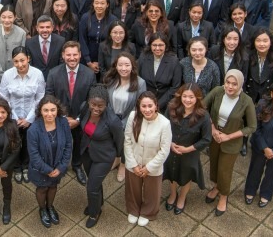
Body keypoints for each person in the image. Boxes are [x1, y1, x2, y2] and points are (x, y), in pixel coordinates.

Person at [203, 69, 257, 216]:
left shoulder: (246, 101)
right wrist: (213, 128)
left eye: (234, 84)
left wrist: (228, 137)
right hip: (215, 136)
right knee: (214, 165)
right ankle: (216, 187)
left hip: (231, 141)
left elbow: (252, 127)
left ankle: (224, 196)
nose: (230, 87)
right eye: (228, 82)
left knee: (224, 170)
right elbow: (202, 107)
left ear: (240, 85)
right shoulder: (218, 91)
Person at [45, 41, 96, 185]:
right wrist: (61, 117)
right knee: (58, 143)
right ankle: (59, 166)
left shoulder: (90, 74)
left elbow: (91, 100)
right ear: (63, 55)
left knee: (79, 143)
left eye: (75, 54)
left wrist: (78, 119)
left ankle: (77, 165)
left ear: (80, 55)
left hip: (80, 118)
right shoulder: (53, 73)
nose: (72, 58)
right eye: (68, 55)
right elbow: (49, 97)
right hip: (59, 118)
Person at [78, 85, 124, 228]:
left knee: (91, 187)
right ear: (89, 102)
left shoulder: (113, 121)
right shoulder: (84, 108)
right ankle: (98, 202)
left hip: (104, 157)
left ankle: (94, 213)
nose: (96, 108)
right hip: (87, 152)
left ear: (106, 104)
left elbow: (119, 140)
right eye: (93, 104)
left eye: (100, 106)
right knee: (95, 184)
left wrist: (118, 156)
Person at [123, 92, 171, 227]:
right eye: (143, 106)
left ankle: (148, 212)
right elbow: (127, 140)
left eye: (150, 106)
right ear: (139, 107)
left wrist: (149, 168)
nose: (147, 109)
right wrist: (133, 164)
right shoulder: (133, 117)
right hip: (134, 162)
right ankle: (133, 209)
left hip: (153, 166)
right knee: (132, 189)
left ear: (156, 105)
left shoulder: (165, 124)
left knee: (152, 191)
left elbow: (164, 150)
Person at [163, 84, 212, 215]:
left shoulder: (204, 116)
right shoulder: (171, 108)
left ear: (197, 98)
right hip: (171, 149)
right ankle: (173, 194)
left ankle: (182, 197)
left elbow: (206, 139)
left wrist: (188, 149)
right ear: (180, 96)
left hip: (190, 152)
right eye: (184, 96)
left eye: (191, 97)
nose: (187, 100)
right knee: (172, 172)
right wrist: (170, 144)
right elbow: (163, 127)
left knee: (186, 175)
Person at [0, 46, 46, 184]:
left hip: (31, 116)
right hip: (12, 116)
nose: (19, 64)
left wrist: (29, 119)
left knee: (28, 143)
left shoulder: (38, 74)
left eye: (22, 60)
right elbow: (4, 98)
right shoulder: (7, 75)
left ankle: (26, 166)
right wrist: (14, 117)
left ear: (28, 58)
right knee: (13, 143)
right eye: (16, 61)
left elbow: (40, 98)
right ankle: (16, 167)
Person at [27, 95, 73, 228]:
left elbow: (68, 145)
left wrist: (61, 167)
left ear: (57, 110)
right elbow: (34, 155)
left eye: (53, 110)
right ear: (40, 111)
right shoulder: (33, 130)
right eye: (45, 110)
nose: (49, 114)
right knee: (42, 188)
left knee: (53, 187)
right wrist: (48, 170)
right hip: (40, 169)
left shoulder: (63, 123)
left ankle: (50, 206)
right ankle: (42, 209)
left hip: (58, 166)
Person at [103, 51, 147, 181]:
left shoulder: (140, 83)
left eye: (127, 65)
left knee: (125, 143)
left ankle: (123, 164)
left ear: (132, 66)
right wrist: (112, 119)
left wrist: (124, 122)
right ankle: (116, 159)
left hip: (129, 119)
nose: (123, 68)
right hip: (111, 117)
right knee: (114, 141)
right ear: (115, 66)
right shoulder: (110, 79)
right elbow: (107, 101)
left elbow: (140, 105)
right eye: (120, 65)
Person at [137, 33, 182, 110]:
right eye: (154, 45)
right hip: (145, 102)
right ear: (150, 45)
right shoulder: (143, 57)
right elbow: (138, 77)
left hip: (166, 104)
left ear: (166, 46)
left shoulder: (173, 61)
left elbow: (175, 87)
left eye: (161, 45)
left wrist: (158, 104)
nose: (157, 48)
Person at [79, 0, 118, 77]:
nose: (99, 6)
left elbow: (113, 41)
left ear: (107, 4)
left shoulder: (113, 20)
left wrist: (100, 62)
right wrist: (89, 62)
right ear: (93, 4)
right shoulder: (85, 18)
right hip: (87, 59)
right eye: (96, 3)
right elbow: (82, 40)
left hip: (106, 58)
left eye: (102, 3)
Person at [245, 28, 273, 103]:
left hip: (268, 98)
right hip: (249, 96)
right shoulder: (248, 56)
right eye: (258, 41)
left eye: (265, 41)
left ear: (270, 42)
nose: (262, 44)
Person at [0, 5, 27, 74]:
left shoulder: (21, 33)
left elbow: (22, 55)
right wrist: (0, 72)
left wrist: (12, 73)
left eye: (10, 17)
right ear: (0, 17)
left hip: (16, 72)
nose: (6, 20)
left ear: (15, 17)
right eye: (3, 17)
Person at [26, 15, 65, 80]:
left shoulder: (60, 41)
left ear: (52, 28)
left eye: (48, 27)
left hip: (55, 79)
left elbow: (62, 63)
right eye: (41, 27)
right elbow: (29, 65)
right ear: (37, 28)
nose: (45, 30)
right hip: (36, 79)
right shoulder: (29, 43)